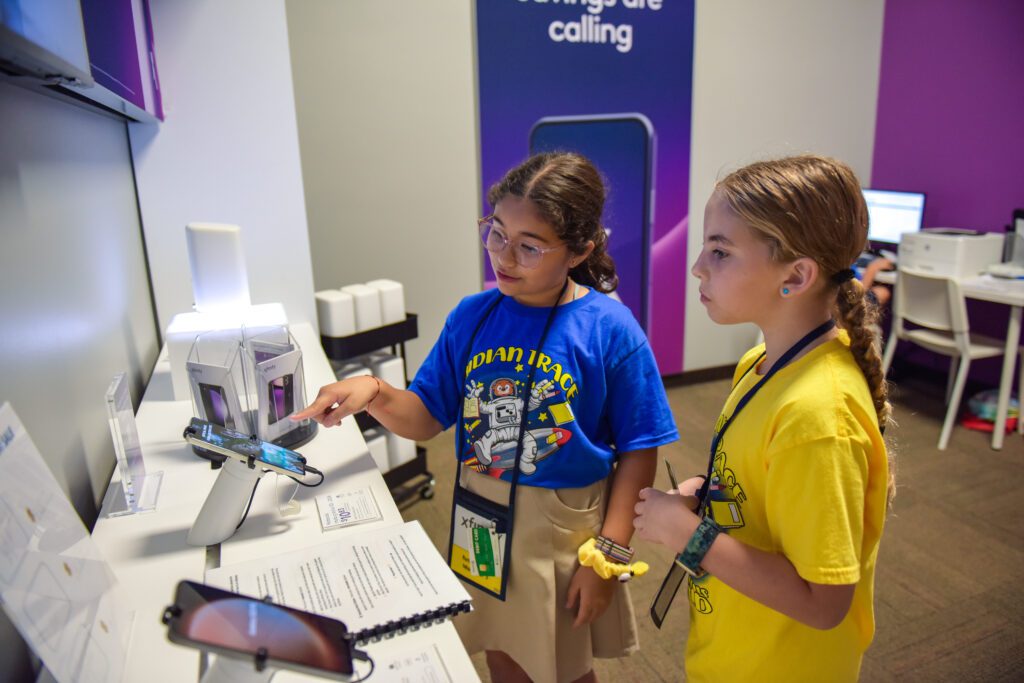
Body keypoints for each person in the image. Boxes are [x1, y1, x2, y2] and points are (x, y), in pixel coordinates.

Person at [293, 152, 678, 683]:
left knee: (560, 663)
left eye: (529, 246)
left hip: (562, 529)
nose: (504, 256)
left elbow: (640, 449)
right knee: (501, 649)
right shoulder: (473, 315)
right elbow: (427, 416)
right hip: (480, 513)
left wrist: (608, 554)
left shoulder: (609, 329)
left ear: (580, 250)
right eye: (496, 233)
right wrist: (376, 392)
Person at [632, 155, 892, 682]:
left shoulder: (818, 416)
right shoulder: (762, 362)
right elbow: (760, 482)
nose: (697, 266)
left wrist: (689, 534)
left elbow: (823, 603)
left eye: (721, 251)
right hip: (736, 647)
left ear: (795, 276)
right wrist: (707, 491)